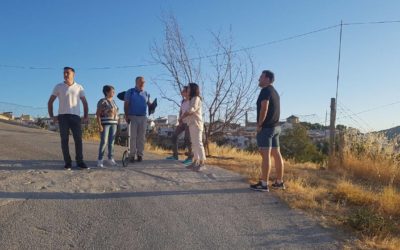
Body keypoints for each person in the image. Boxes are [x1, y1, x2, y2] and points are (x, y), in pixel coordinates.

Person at [48, 66, 89, 170]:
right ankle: (68, 163)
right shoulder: (59, 86)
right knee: (64, 140)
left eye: (67, 73)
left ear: (73, 74)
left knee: (78, 140)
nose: (65, 74)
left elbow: (84, 102)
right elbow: (50, 102)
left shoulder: (79, 87)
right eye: (64, 73)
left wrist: (85, 116)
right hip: (63, 117)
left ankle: (80, 162)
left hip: (75, 117)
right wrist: (52, 116)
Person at [250, 70, 285, 192]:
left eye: (261, 77)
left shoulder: (265, 91)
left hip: (266, 128)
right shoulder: (274, 92)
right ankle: (279, 182)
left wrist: (259, 124)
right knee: (277, 155)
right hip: (276, 128)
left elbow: (264, 108)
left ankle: (264, 184)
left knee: (265, 156)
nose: (259, 79)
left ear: (267, 79)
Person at [124, 76, 152, 162]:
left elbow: (149, 104)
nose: (143, 83)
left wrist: (153, 105)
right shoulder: (130, 91)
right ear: (136, 82)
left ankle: (140, 155)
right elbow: (126, 104)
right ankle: (132, 155)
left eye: (144, 82)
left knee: (141, 137)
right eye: (141, 81)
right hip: (133, 116)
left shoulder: (146, 93)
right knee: (133, 137)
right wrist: (126, 115)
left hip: (143, 117)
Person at [180, 83, 206, 171]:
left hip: (197, 124)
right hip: (192, 124)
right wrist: (183, 118)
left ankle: (202, 163)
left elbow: (192, 109)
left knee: (198, 143)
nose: (188, 90)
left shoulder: (196, 98)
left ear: (193, 89)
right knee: (194, 144)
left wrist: (184, 115)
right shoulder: (191, 99)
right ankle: (196, 161)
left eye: (189, 88)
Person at [166, 86, 193, 164]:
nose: (182, 92)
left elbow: (191, 111)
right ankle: (175, 155)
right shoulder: (183, 101)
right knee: (174, 136)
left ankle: (190, 158)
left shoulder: (192, 101)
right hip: (182, 122)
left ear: (187, 92)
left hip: (189, 122)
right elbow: (181, 111)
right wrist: (180, 120)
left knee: (187, 139)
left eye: (183, 91)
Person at [96, 85, 119, 168]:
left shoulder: (114, 101)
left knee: (111, 142)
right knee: (104, 142)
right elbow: (98, 114)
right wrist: (99, 125)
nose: (113, 93)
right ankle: (100, 160)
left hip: (114, 124)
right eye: (112, 91)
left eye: (114, 91)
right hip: (105, 124)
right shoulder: (102, 101)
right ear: (107, 92)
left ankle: (110, 158)